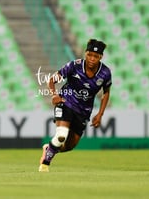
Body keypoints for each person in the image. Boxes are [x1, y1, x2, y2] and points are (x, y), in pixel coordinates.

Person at [39, 39, 112, 172]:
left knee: (69, 146)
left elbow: (106, 93)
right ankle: (45, 163)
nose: (92, 59)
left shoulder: (105, 73)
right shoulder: (74, 65)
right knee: (62, 134)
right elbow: (52, 80)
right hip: (66, 102)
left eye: (96, 56)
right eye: (89, 55)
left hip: (83, 111)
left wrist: (100, 114)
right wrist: (54, 95)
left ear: (100, 57)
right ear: (85, 53)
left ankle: (49, 148)